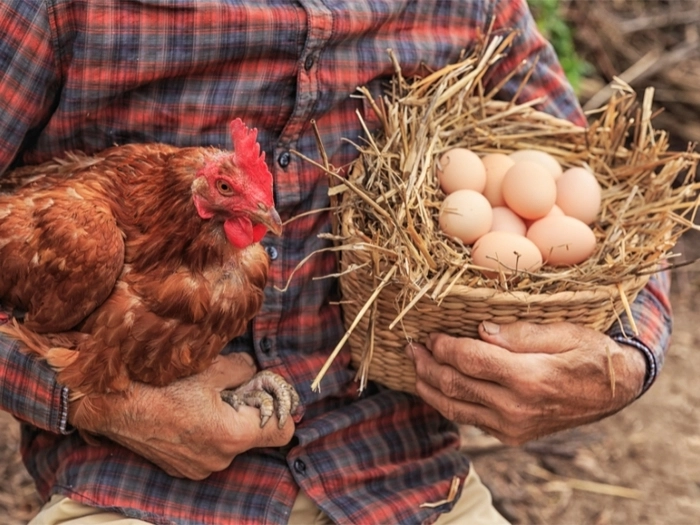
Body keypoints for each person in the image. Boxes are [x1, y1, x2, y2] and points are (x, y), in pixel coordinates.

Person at [0, 1, 669, 523]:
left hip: (402, 482)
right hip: (137, 486)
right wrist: (91, 400)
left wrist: (621, 359)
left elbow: (602, 198)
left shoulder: (473, 8)